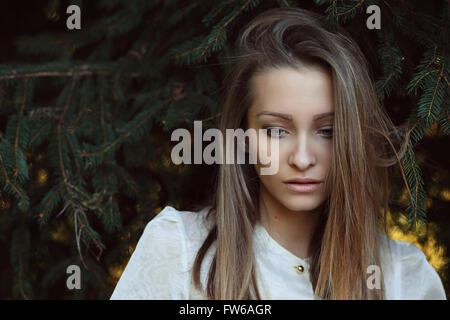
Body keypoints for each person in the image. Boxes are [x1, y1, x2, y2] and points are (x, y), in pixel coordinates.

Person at [110, 7, 446, 300]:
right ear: (242, 135)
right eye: (276, 131)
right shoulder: (178, 252)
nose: (302, 159)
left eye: (327, 131)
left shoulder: (404, 277)